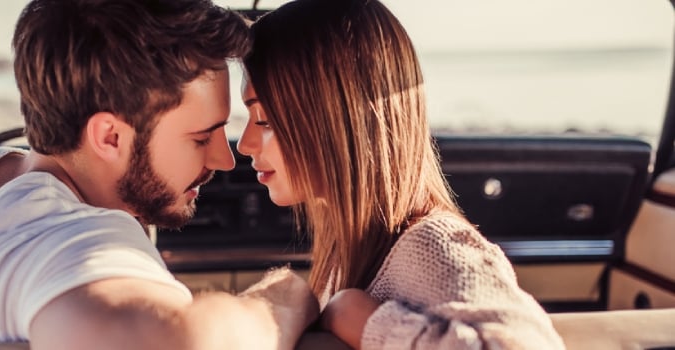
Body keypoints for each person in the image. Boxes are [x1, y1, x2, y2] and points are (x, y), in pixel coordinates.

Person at [0, 0, 318, 349]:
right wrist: (287, 296)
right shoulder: (67, 235)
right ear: (110, 136)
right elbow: (174, 342)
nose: (225, 160)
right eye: (201, 137)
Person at [237, 0, 566, 348]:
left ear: (337, 121)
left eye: (264, 121)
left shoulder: (431, 245)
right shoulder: (348, 249)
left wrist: (358, 317)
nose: (244, 144)